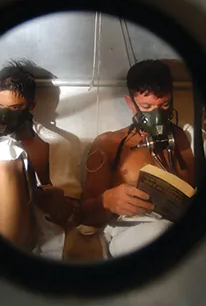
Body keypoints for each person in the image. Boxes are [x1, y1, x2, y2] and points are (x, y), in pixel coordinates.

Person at [0, 59, 80, 255]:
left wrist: (49, 197)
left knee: (5, 162)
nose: (4, 115)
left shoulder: (51, 145)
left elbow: (68, 211)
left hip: (23, 225)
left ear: (31, 105)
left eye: (14, 108)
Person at [79, 59, 196, 258]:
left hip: (179, 230)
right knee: (159, 233)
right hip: (130, 230)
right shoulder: (108, 143)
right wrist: (106, 201)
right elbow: (83, 214)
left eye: (165, 104)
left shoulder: (186, 138)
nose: (157, 115)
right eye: (146, 106)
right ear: (130, 103)